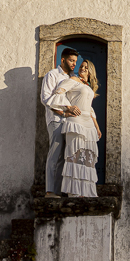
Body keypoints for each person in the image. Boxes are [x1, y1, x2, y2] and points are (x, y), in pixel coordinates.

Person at [46, 60, 102, 198]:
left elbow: (89, 108)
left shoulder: (87, 86)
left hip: (88, 123)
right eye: (81, 66)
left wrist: (97, 126)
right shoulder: (73, 80)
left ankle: (87, 191)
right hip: (75, 122)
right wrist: (68, 107)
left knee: (88, 157)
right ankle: (75, 192)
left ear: (91, 71)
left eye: (86, 67)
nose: (82, 68)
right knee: (75, 156)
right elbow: (58, 94)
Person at [40, 48, 80, 197]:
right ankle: (50, 191)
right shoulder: (52, 75)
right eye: (71, 60)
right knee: (54, 154)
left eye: (75, 61)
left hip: (70, 121)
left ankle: (60, 191)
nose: (74, 64)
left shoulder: (73, 77)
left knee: (66, 156)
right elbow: (46, 100)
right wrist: (64, 112)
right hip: (56, 120)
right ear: (62, 60)